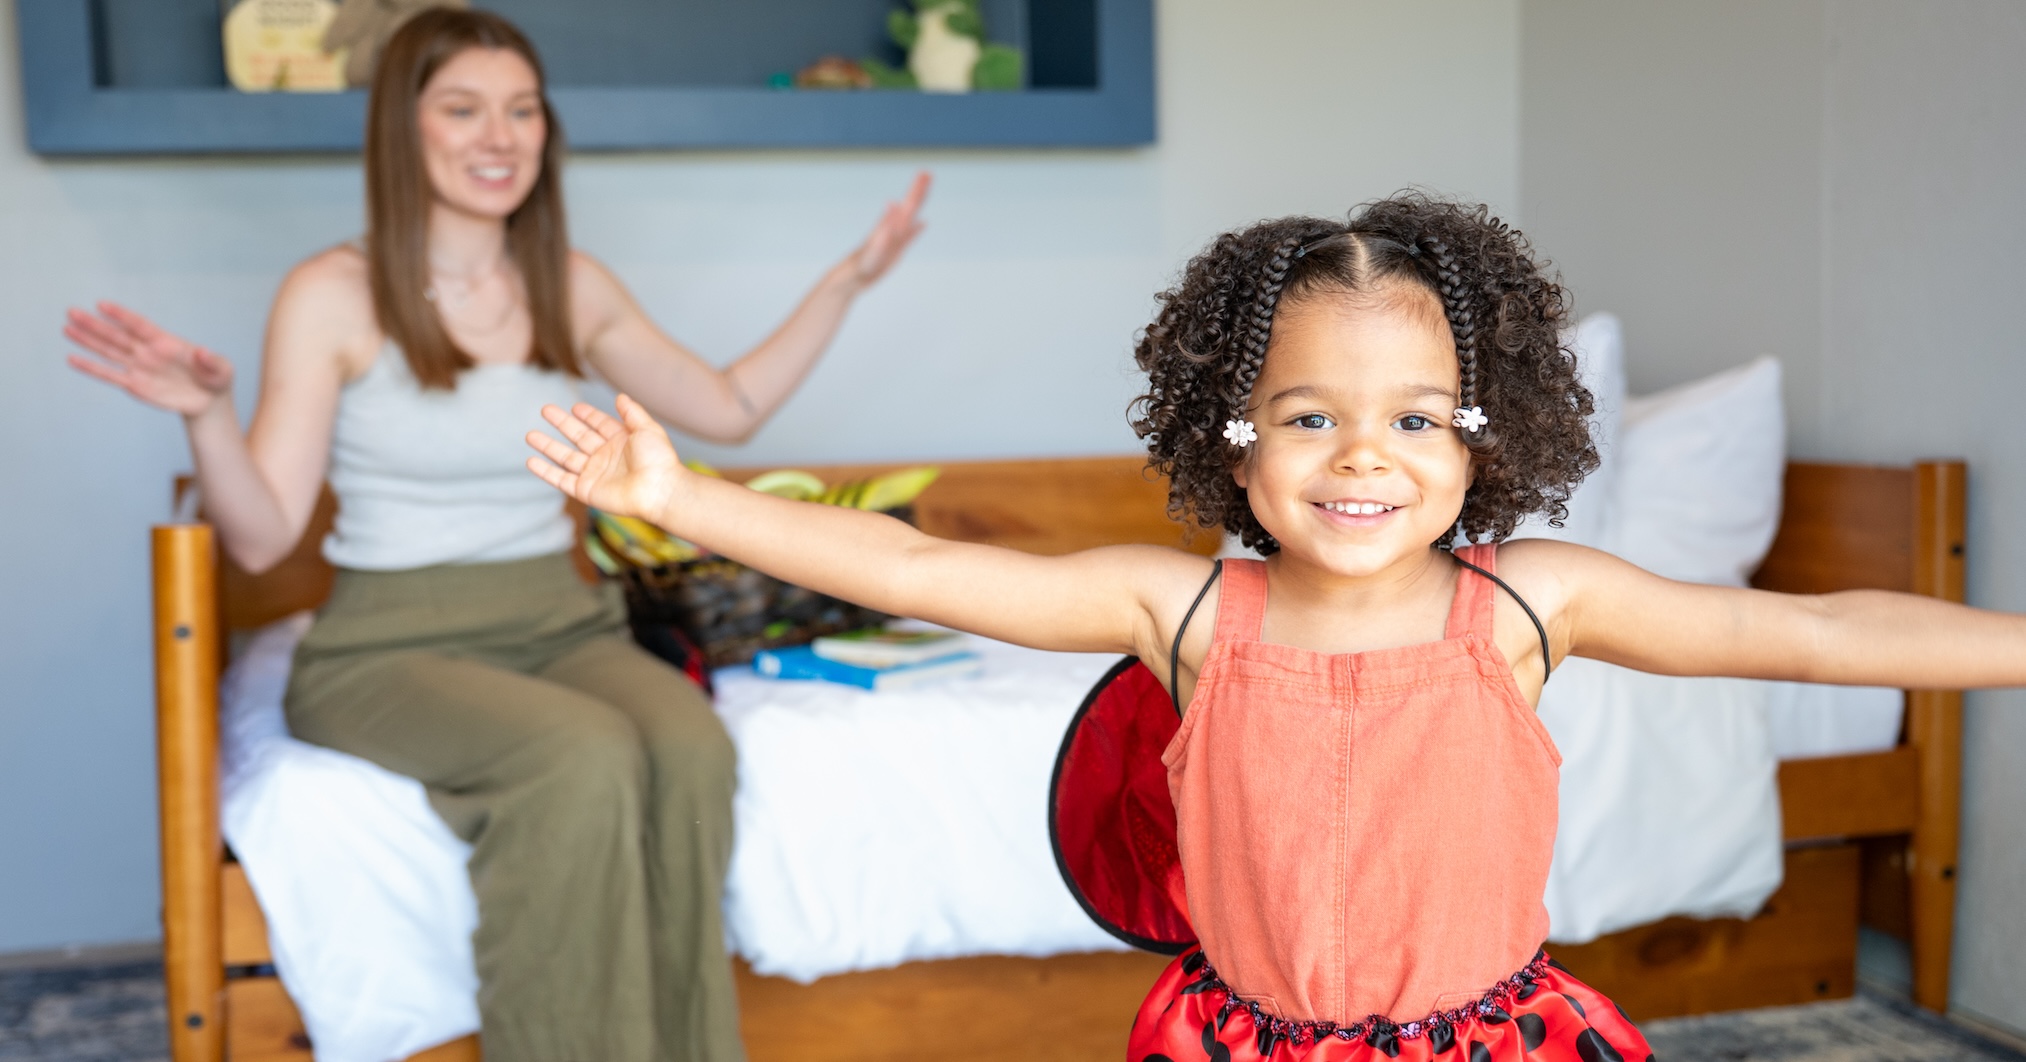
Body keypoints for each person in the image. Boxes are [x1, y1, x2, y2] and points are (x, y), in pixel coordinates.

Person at [526, 192, 2026, 1062]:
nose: (1361, 455)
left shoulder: (1528, 604)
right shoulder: (1177, 610)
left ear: (1476, 444)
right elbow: (907, 569)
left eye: (1414, 418)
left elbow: (1821, 631)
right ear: (1234, 443)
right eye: (1310, 416)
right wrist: (683, 493)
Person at [65, 9, 927, 1061]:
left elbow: (732, 405)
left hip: (557, 621)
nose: (499, 136)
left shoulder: (571, 283)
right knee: (577, 757)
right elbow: (259, 539)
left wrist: (848, 282)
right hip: (386, 646)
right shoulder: (332, 294)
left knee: (689, 747)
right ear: (403, 130)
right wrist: (204, 413)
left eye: (521, 110)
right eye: (463, 109)